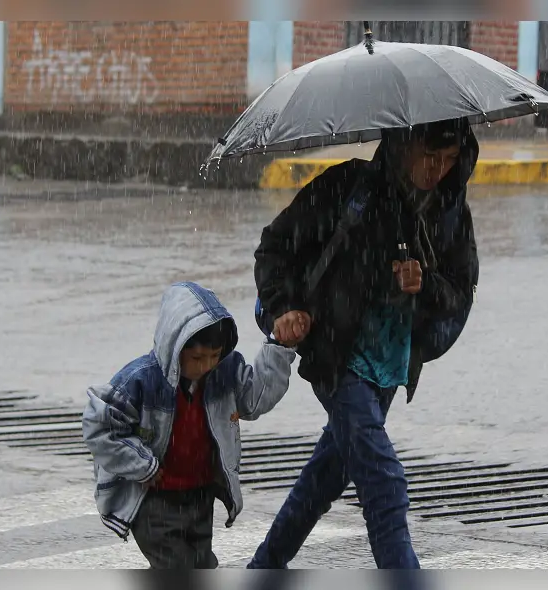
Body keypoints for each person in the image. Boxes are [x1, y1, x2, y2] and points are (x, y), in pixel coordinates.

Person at [246, 118, 480, 573]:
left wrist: (425, 283)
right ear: (403, 144)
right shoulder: (350, 186)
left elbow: (460, 290)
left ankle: (264, 568)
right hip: (337, 354)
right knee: (383, 481)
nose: (437, 170)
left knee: (327, 476)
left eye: (449, 160)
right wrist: (283, 308)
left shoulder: (449, 211)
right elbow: (275, 247)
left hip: (390, 365)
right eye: (429, 156)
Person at [82, 281, 297, 570]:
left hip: (199, 495)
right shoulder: (142, 381)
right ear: (174, 346)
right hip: (153, 499)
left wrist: (278, 349)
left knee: (201, 566)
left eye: (214, 355)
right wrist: (142, 465)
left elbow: (256, 399)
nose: (206, 365)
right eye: (197, 357)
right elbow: (99, 427)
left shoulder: (224, 372)